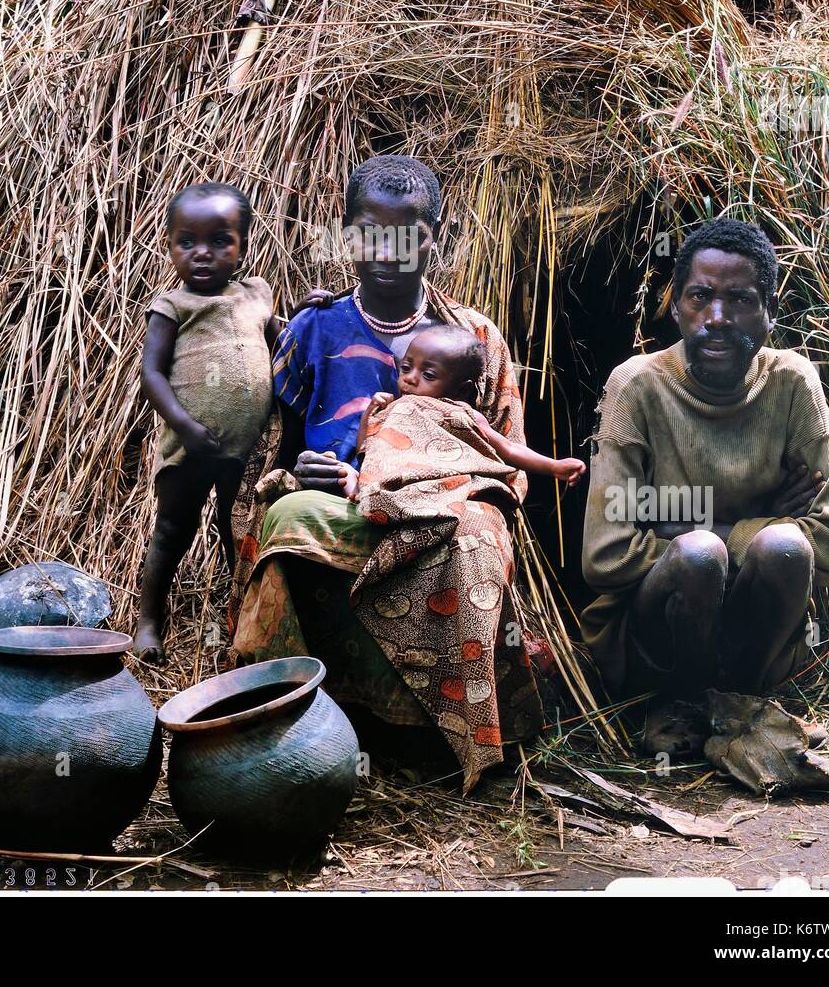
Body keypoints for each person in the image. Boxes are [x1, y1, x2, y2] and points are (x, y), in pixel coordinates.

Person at [228, 156, 563, 793]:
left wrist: (446, 489)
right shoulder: (313, 330)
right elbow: (282, 454)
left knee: (473, 533)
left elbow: (507, 466)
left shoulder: (475, 340)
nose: (386, 251)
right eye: (368, 232)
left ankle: (437, 737)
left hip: (446, 508)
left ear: (436, 237)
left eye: (407, 234)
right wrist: (309, 473)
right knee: (290, 517)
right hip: (346, 507)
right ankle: (292, 724)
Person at [580, 217, 829, 755]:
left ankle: (740, 700)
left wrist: (685, 522)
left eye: (741, 300)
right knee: (700, 556)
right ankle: (682, 700)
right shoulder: (637, 387)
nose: (718, 318)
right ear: (677, 305)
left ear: (769, 313)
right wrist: (750, 523)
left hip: (759, 641)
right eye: (700, 296)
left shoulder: (793, 384)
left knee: (782, 546)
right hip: (655, 640)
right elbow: (605, 555)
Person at [132, 181, 324, 663]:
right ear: (170, 245)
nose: (203, 253)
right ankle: (149, 621)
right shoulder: (172, 306)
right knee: (172, 529)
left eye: (220, 241)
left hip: (246, 450)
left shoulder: (256, 294)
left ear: (243, 245)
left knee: (236, 533)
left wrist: (304, 313)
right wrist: (183, 423)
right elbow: (151, 375)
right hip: (189, 448)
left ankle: (236, 616)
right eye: (187, 241)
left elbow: (280, 342)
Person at [338, 325, 586, 511]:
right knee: (347, 474)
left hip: (431, 488)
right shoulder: (395, 408)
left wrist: (554, 466)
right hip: (384, 482)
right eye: (406, 368)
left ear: (462, 390)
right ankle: (364, 495)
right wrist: (371, 413)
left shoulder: (463, 415)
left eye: (429, 375)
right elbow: (367, 450)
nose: (410, 378)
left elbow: (508, 449)